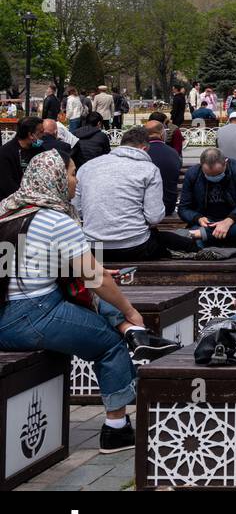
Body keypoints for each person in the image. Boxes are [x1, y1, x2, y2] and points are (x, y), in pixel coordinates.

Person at [0, 150, 181, 455]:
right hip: (34, 316)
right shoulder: (55, 219)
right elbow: (97, 279)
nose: (76, 180)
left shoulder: (7, 210)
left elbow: (22, 266)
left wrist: (89, 274)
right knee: (108, 344)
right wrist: (130, 310)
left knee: (89, 290)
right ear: (55, 178)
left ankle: (130, 332)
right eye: (72, 173)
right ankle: (116, 429)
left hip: (7, 313)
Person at [75, 127, 194, 259]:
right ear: (144, 149)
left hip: (93, 248)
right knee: (170, 241)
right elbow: (154, 217)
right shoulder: (149, 169)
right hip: (135, 247)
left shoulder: (87, 167)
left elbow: (77, 209)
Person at [179, 148, 236, 248]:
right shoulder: (193, 173)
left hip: (234, 219)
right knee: (196, 243)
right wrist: (198, 218)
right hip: (207, 222)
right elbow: (183, 209)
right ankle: (220, 238)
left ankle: (204, 235)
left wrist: (229, 220)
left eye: (218, 174)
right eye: (208, 175)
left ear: (226, 162)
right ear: (201, 166)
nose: (213, 178)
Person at [143, 119, 182, 215]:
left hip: (144, 207)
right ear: (162, 133)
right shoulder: (173, 153)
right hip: (167, 206)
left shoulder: (141, 152)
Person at [0, 117, 44, 200]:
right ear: (31, 135)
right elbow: (7, 185)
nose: (44, 135)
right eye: (41, 132)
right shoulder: (5, 153)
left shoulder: (40, 150)